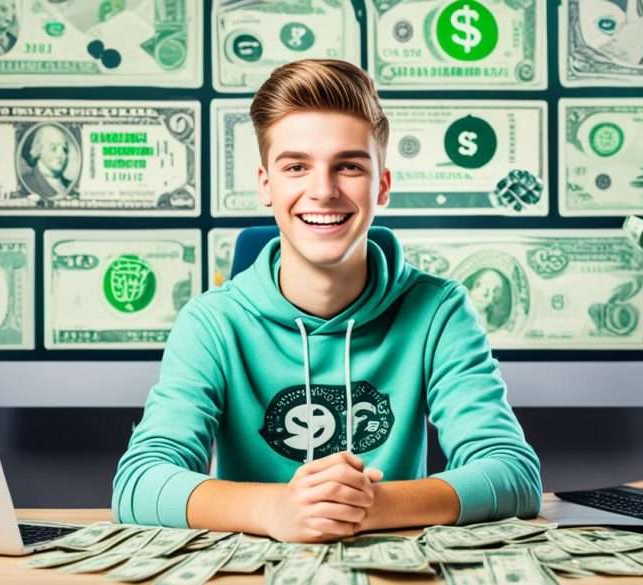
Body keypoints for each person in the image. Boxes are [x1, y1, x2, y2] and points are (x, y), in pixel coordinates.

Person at [112, 59, 541, 543]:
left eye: (349, 166)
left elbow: (514, 474)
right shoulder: (212, 323)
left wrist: (366, 507)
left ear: (382, 185)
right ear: (266, 184)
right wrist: (277, 509)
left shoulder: (438, 311)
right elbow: (138, 482)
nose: (323, 191)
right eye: (296, 166)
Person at [19, 124, 74, 200]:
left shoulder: (70, 185)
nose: (61, 155)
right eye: (53, 148)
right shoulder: (25, 184)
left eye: (64, 149)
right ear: (38, 149)